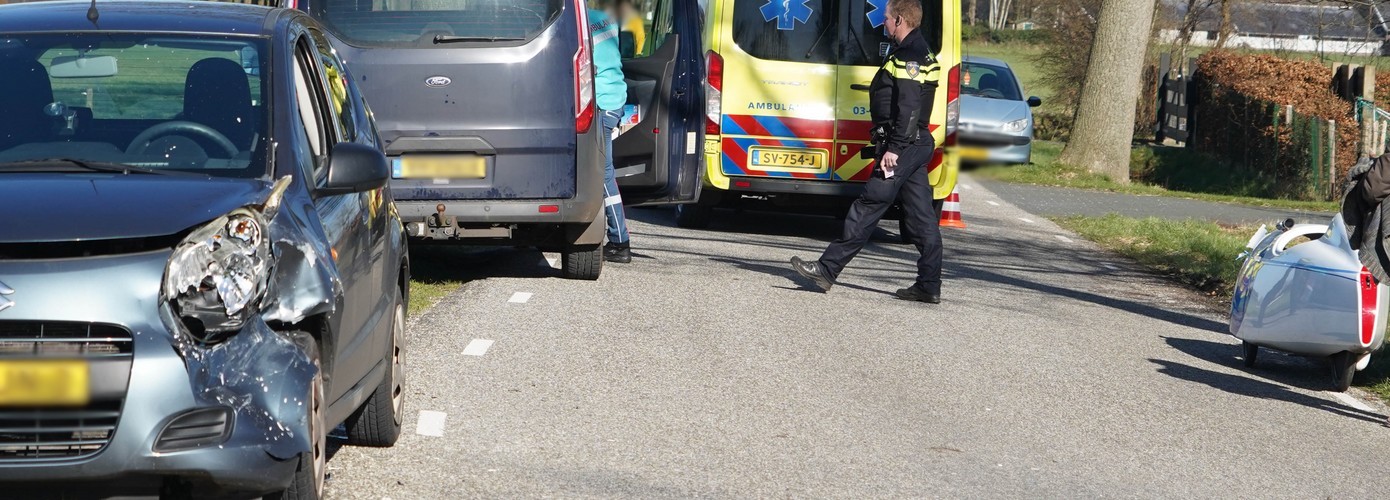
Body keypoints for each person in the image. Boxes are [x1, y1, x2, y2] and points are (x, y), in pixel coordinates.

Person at [789, 0, 944, 303]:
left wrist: (895, 149)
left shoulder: (911, 57)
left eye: (886, 18)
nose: (882, 23)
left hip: (904, 146)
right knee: (923, 218)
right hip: (914, 144)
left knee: (869, 204)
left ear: (899, 19)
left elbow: (909, 108)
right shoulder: (917, 51)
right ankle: (929, 284)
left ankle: (826, 269)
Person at [589, 1, 633, 263]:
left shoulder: (579, 22)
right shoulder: (606, 19)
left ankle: (620, 241)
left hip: (600, 101)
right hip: (615, 97)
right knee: (604, 172)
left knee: (604, 174)